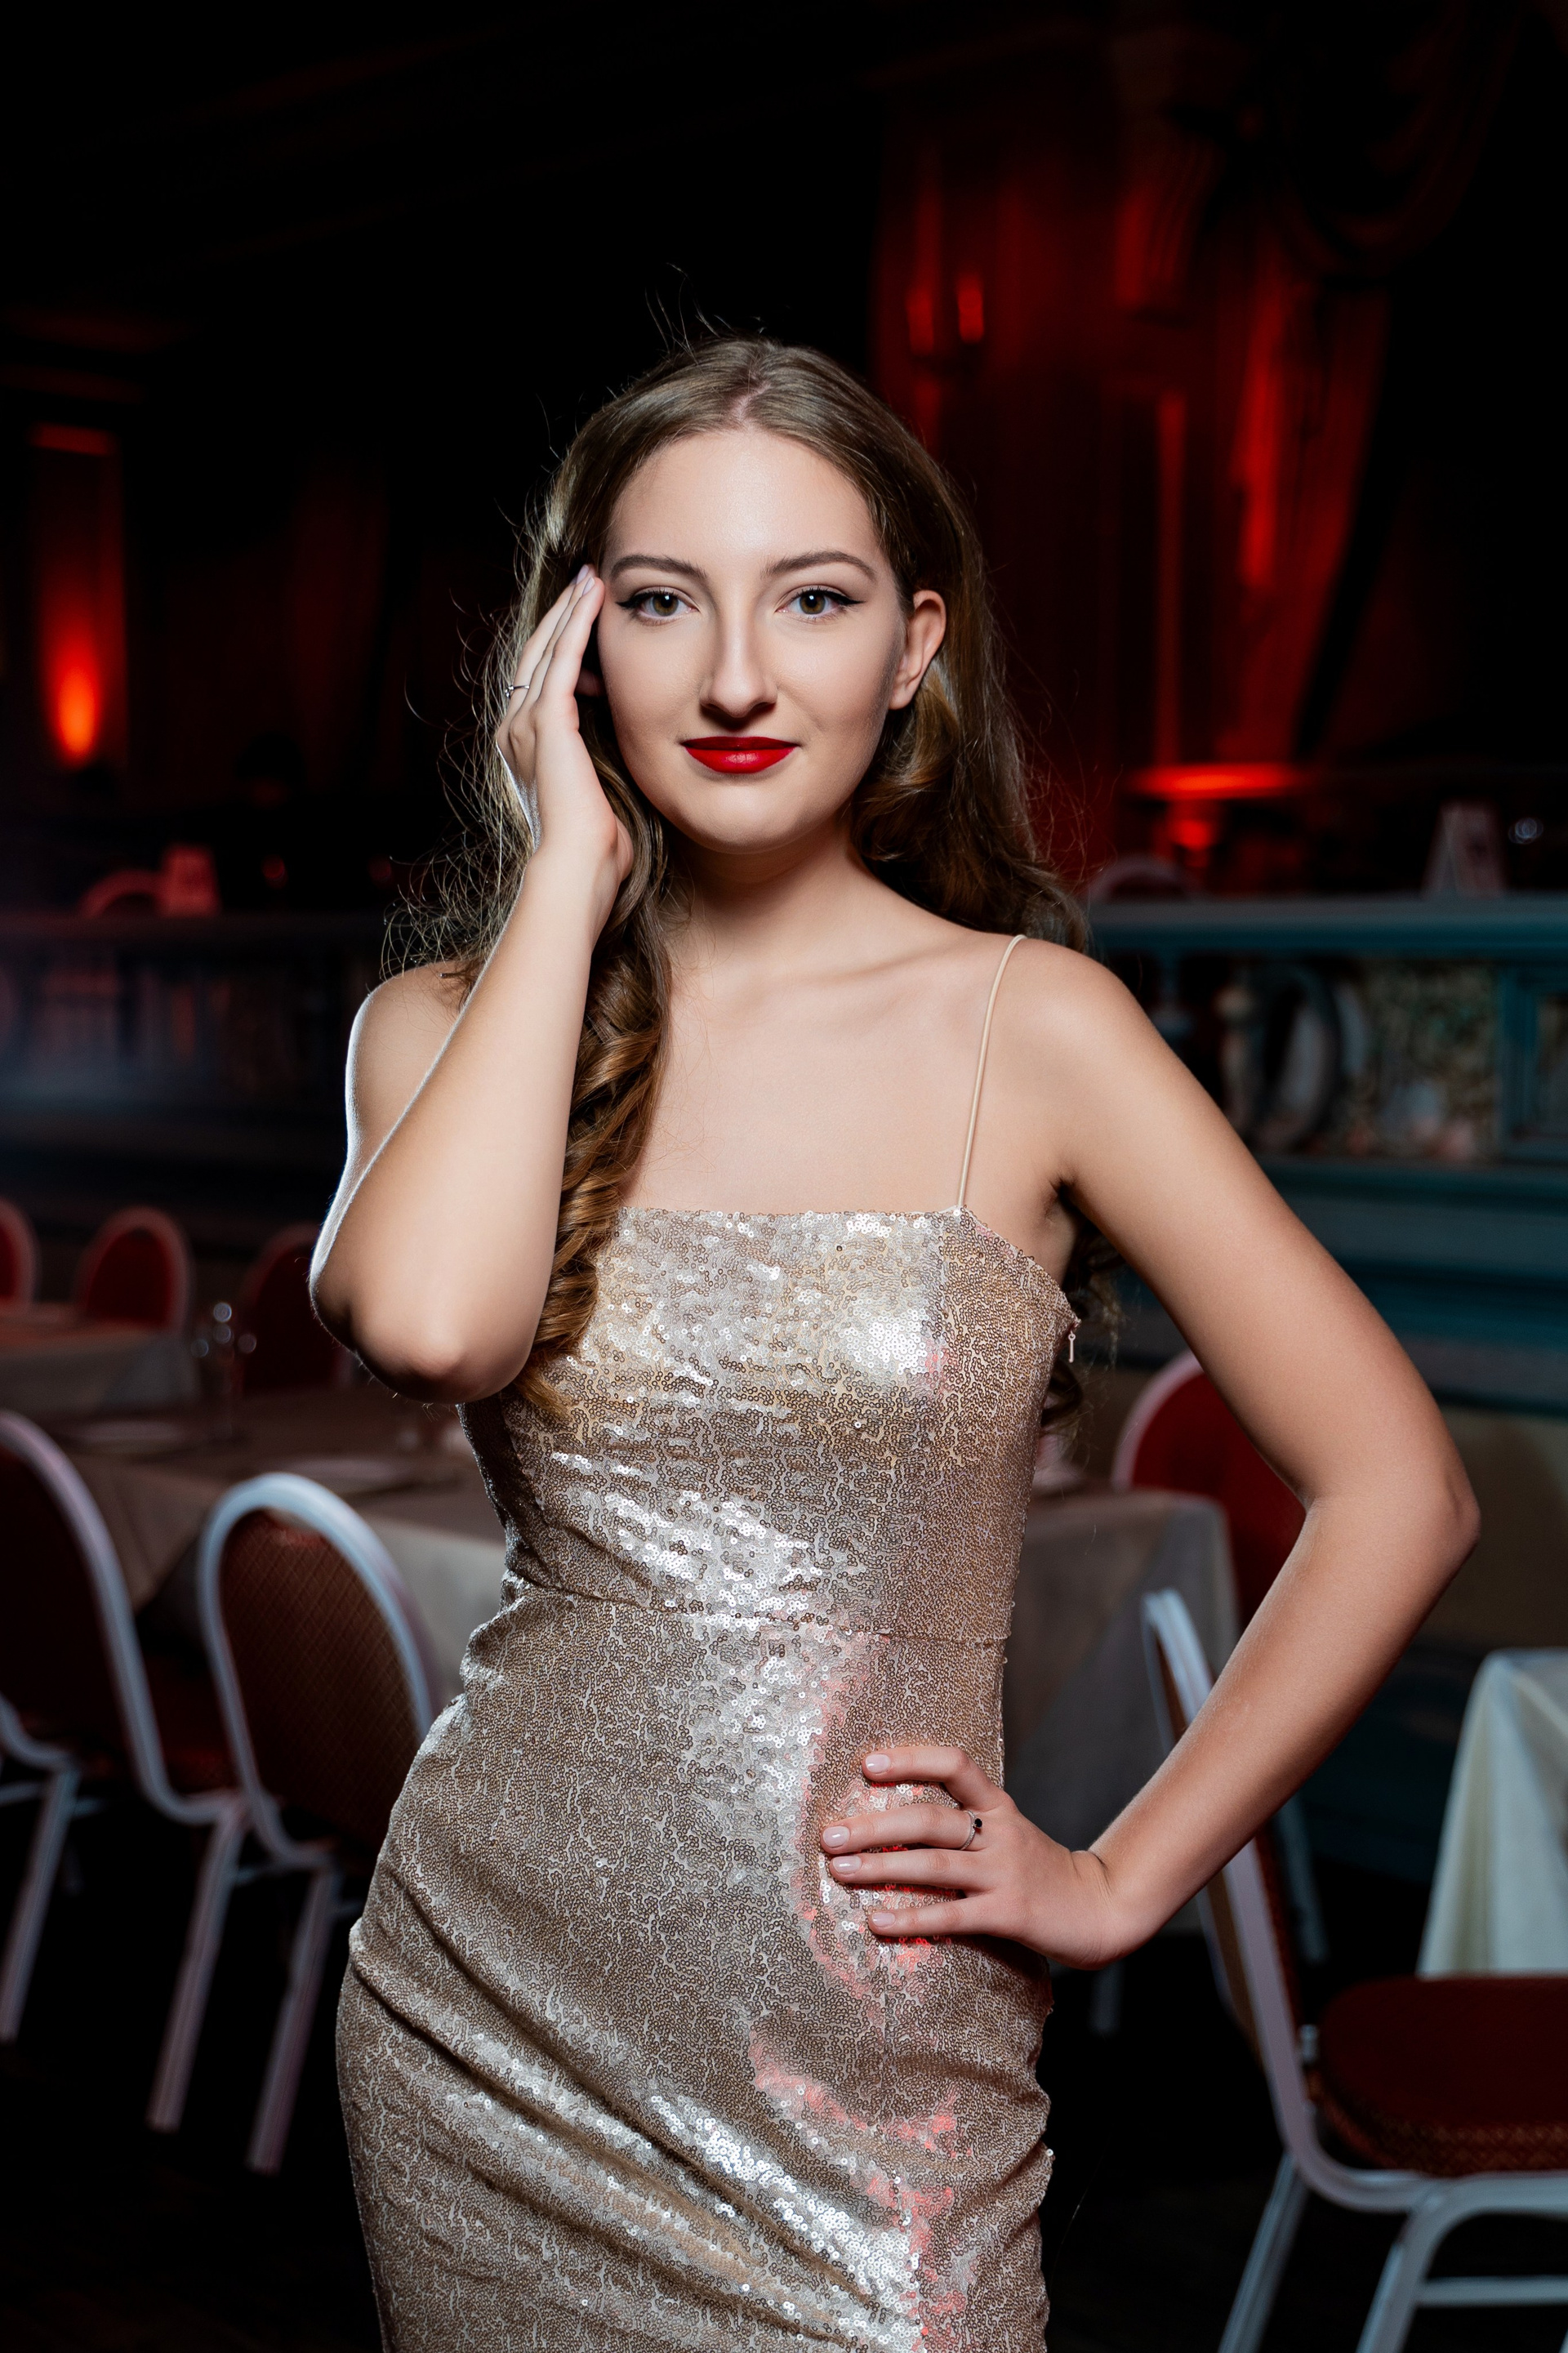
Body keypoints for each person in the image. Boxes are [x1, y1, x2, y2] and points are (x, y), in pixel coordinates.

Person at [312, 338, 1476, 2353]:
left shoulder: (1038, 1030)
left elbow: (1402, 1491)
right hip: (487, 2013)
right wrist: (570, 876)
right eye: (662, 602)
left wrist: (1118, 1879)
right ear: (572, 647)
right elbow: (431, 1325)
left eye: (814, 598)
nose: (735, 677)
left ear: (914, 646)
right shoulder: (446, 1028)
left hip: (878, 2058)